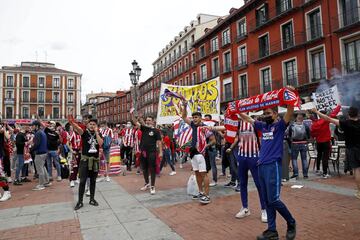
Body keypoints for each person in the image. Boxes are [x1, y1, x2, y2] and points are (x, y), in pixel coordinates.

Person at [240, 96, 297, 240]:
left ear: (276, 114)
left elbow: (290, 110)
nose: (266, 116)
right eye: (265, 114)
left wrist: (289, 95)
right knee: (266, 200)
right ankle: (272, 230)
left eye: (269, 113)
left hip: (273, 166)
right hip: (261, 166)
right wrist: (237, 108)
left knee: (273, 199)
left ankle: (291, 222)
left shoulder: (280, 126)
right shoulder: (262, 126)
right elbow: (246, 118)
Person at [312, 106, 360, 199]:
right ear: (358, 114)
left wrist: (316, 112)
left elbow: (328, 118)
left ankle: (359, 191)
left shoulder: (346, 123)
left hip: (352, 149)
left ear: (348, 114)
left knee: (357, 170)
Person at [181, 99, 212, 204]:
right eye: (193, 117)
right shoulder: (193, 125)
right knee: (197, 174)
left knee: (204, 174)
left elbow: (213, 140)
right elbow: (184, 117)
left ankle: (207, 196)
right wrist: (185, 106)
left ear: (200, 118)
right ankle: (200, 192)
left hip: (201, 154)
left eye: (196, 117)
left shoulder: (205, 127)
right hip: (193, 153)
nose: (194, 119)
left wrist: (204, 146)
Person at [70, 118, 103, 210]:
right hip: (85, 160)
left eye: (94, 124)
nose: (92, 126)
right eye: (90, 124)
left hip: (95, 160)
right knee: (83, 181)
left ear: (96, 126)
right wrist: (72, 123)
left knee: (93, 181)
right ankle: (80, 201)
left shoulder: (98, 134)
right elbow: (78, 129)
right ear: (88, 125)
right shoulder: (84, 133)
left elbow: (100, 143)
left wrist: (96, 133)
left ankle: (92, 199)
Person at [132, 114, 162, 195]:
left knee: (152, 169)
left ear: (153, 121)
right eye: (147, 120)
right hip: (143, 152)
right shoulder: (144, 128)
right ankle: (147, 183)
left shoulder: (156, 131)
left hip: (152, 152)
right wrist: (132, 115)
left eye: (149, 120)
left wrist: (161, 152)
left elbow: (159, 142)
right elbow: (135, 122)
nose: (148, 121)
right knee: (144, 169)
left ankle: (152, 186)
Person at [310, 106, 341, 178]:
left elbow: (312, 133)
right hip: (326, 141)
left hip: (318, 142)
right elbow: (334, 113)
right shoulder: (325, 120)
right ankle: (325, 173)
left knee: (319, 155)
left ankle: (317, 169)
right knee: (325, 157)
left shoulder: (314, 124)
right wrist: (339, 106)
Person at [289, 113, 310, 179]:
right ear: (302, 118)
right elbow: (309, 135)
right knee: (304, 159)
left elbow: (289, 134)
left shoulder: (292, 125)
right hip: (304, 143)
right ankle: (305, 174)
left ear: (296, 118)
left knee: (294, 159)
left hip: (295, 143)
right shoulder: (306, 125)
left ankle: (296, 174)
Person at [31, 120, 51, 191]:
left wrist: (31, 149)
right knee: (43, 167)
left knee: (40, 169)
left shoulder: (38, 133)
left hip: (39, 153)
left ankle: (41, 184)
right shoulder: (42, 132)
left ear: (36, 126)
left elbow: (37, 144)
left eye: (33, 125)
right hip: (44, 152)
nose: (32, 127)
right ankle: (46, 181)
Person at [0, 123, 11, 201]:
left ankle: (7, 191)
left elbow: (8, 137)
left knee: (0, 174)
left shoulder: (1, 129)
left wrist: (3, 130)